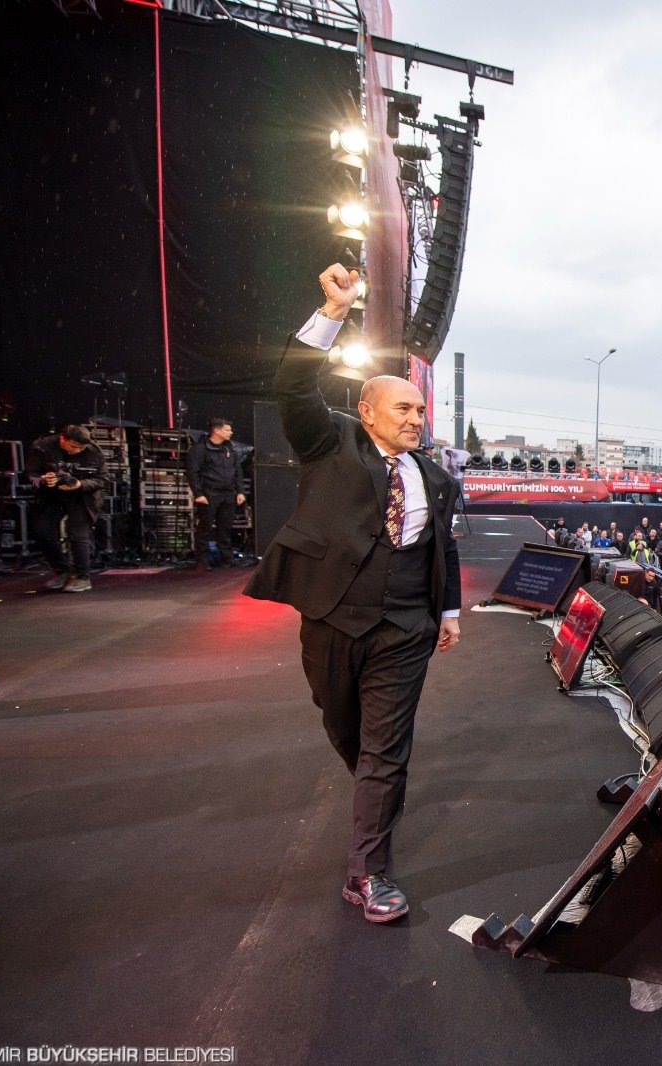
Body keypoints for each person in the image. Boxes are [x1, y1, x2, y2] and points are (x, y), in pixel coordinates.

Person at [244, 264, 462, 925]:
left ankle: (368, 874)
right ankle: (377, 792)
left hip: (405, 631)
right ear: (365, 411)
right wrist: (333, 311)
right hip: (332, 621)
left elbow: (440, 548)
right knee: (347, 733)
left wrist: (446, 611)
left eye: (421, 410)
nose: (417, 419)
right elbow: (292, 384)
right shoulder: (327, 441)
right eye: (404, 408)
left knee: (384, 748)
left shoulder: (435, 477)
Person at [26, 424, 107, 593]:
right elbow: (31, 474)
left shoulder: (93, 451)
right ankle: (62, 570)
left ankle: (82, 577)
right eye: (73, 447)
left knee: (78, 535)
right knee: (42, 532)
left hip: (82, 496)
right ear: (62, 439)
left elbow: (101, 480)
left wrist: (80, 484)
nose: (77, 451)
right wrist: (43, 479)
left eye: (81, 448)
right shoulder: (42, 446)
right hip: (53, 495)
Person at [186, 418, 248, 571]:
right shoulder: (200, 449)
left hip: (228, 494)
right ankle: (201, 559)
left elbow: (237, 471)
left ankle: (226, 558)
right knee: (205, 528)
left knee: (225, 528)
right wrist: (198, 493)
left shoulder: (229, 448)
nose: (231, 432)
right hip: (209, 494)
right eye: (227, 430)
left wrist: (240, 491)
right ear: (217, 430)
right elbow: (192, 472)